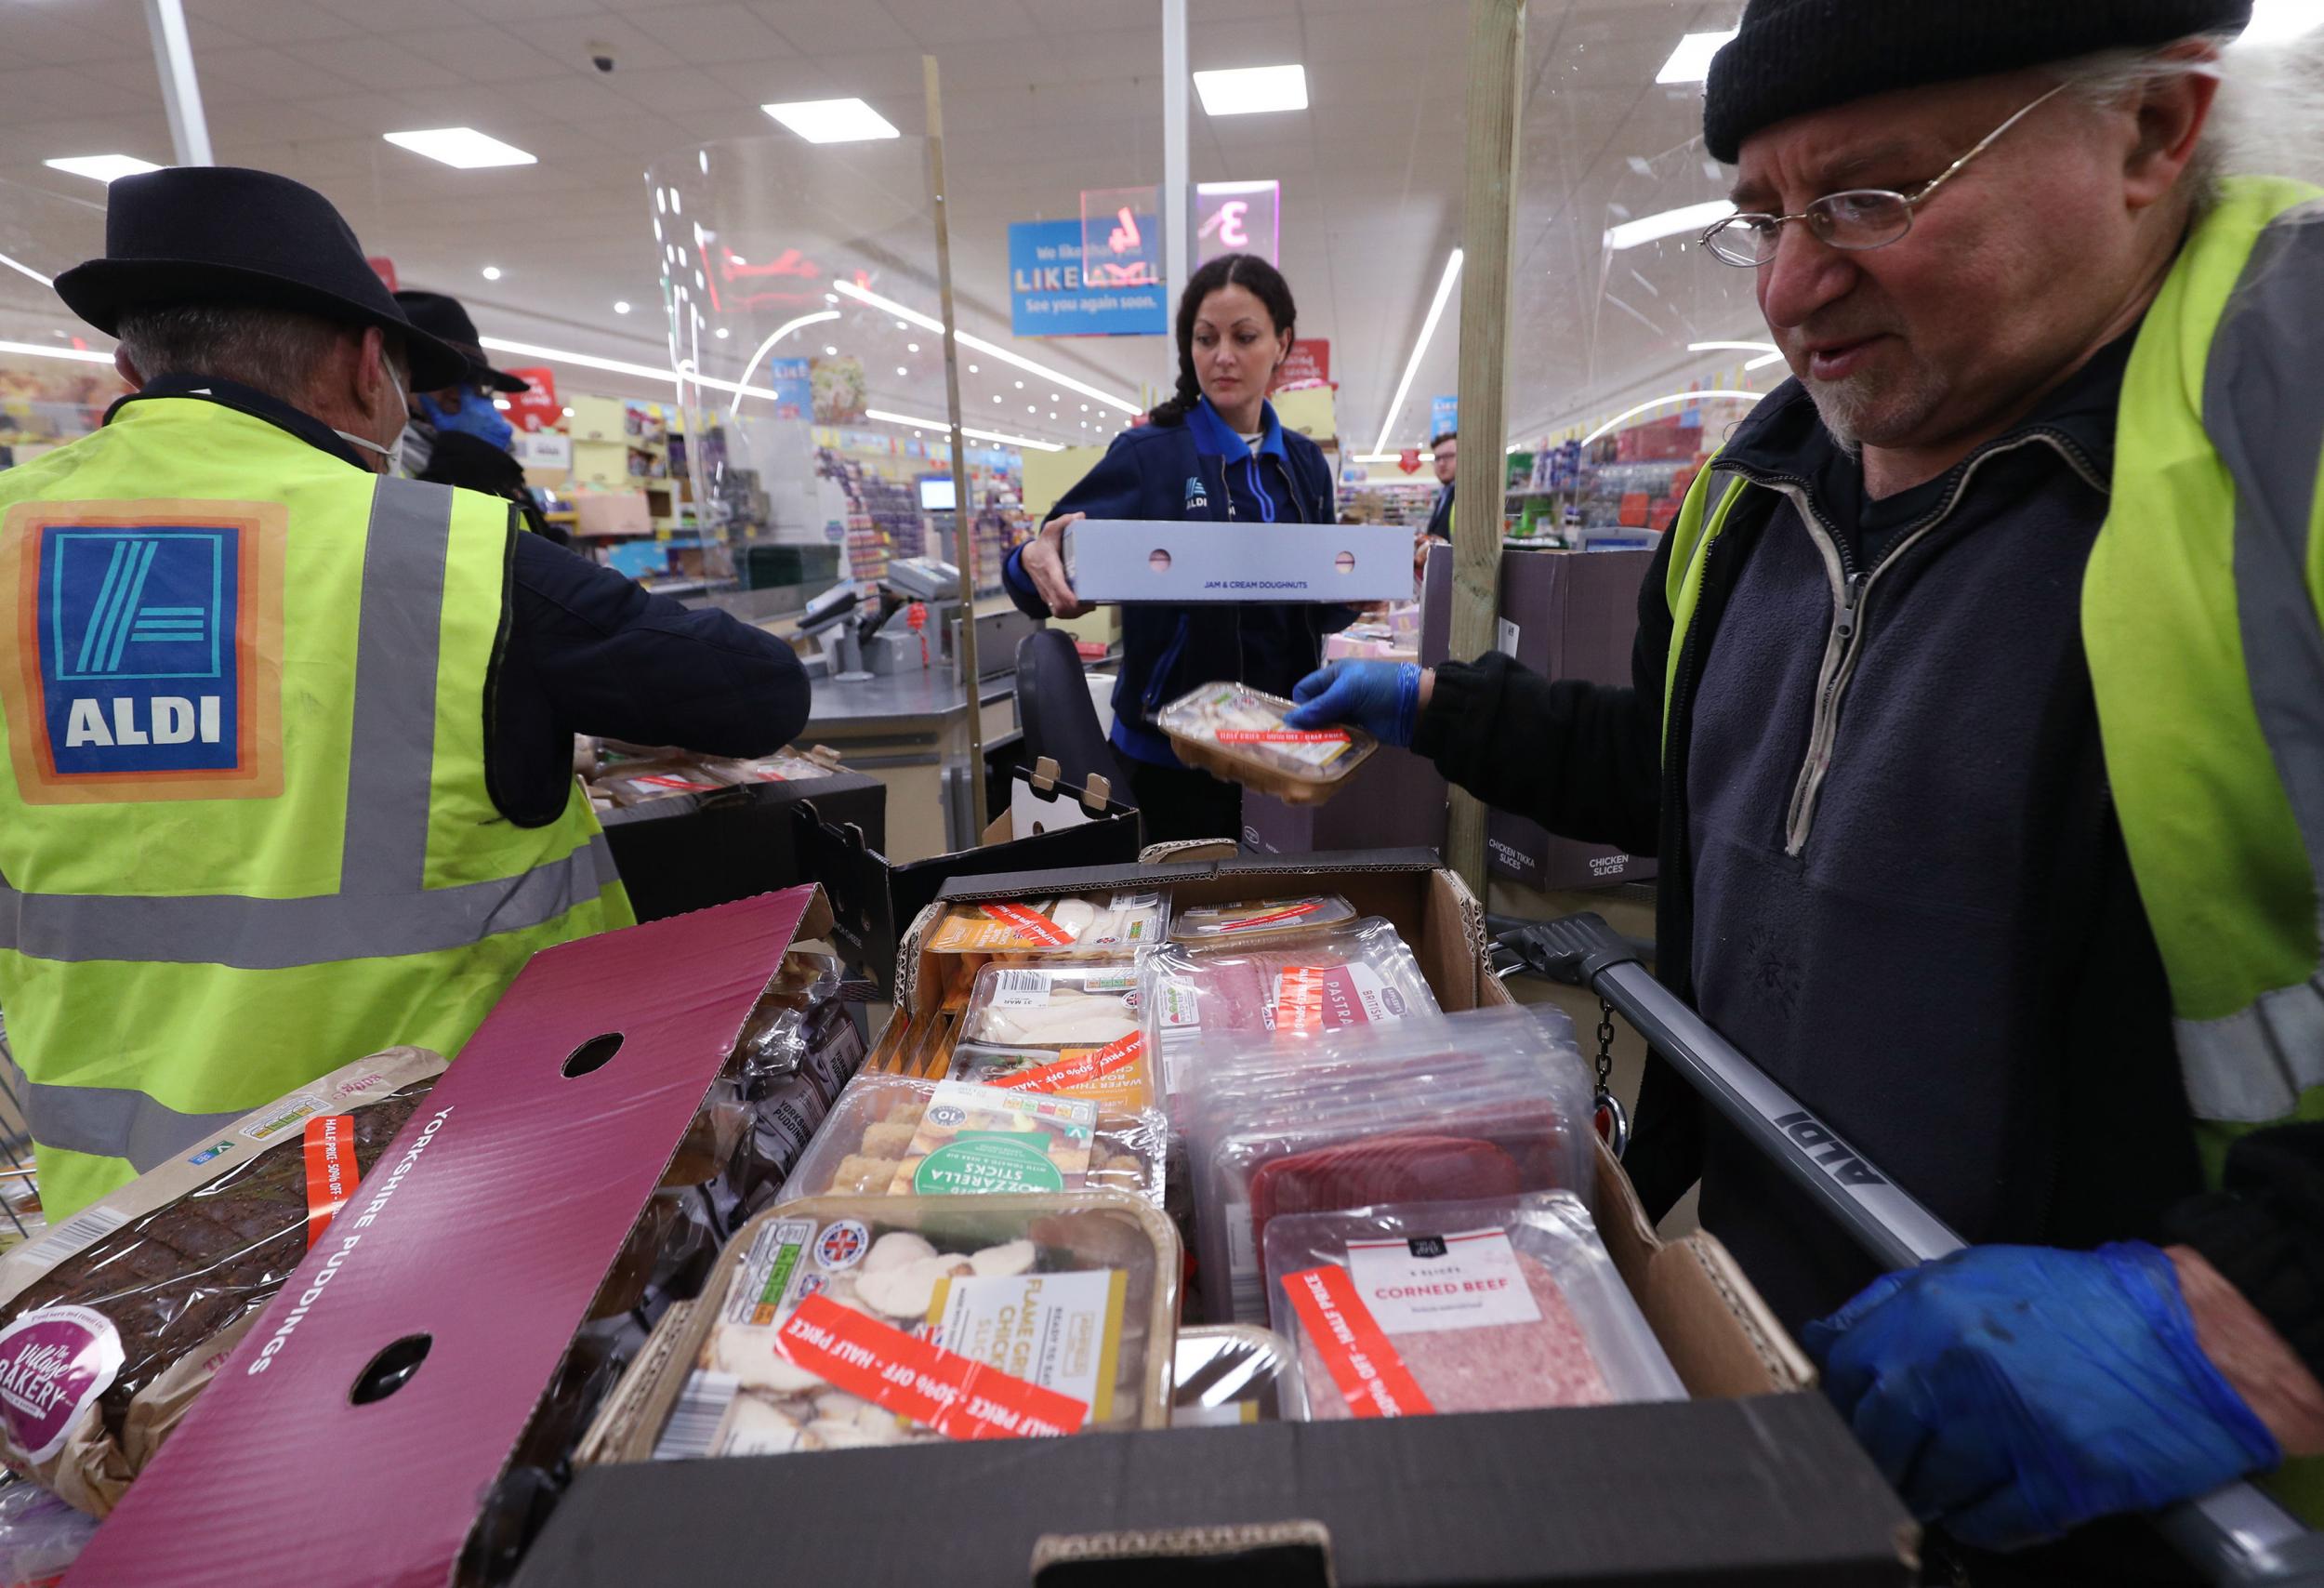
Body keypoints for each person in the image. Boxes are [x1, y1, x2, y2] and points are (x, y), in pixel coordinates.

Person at [1287, 0, 2324, 1556]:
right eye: (1760, 214)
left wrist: (2263, 1298)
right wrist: (1443, 701)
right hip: (1806, 1363)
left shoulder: (2287, 417)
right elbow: (1689, 779)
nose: (1789, 285)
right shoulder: (1768, 482)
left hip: (2177, 1483)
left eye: (1869, 196)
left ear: (2151, 132)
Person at [0, 166, 812, 1220]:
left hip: (122, 1222)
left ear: (128, 365)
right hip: (428, 1187)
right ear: (366, 364)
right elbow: (756, 693)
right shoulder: (441, 553)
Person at [1002, 253, 1347, 843]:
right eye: (1206, 339)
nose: (1223, 356)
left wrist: (1365, 587)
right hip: (1170, 758)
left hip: (1279, 749)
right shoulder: (1150, 454)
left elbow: (1317, 609)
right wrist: (1031, 557)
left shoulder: (1305, 464)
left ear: (1282, 343)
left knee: (1266, 921)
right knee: (1175, 920)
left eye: (1245, 337)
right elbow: (1040, 559)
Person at [391, 288, 568, 544]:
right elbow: (414, 540)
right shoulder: (383, 451)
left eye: (478, 382)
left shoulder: (487, 449)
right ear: (398, 376)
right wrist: (465, 455)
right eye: (445, 377)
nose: (462, 395)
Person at [1423, 430, 1457, 541]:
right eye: (1437, 458)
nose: (1441, 463)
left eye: (1448, 456)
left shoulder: (1469, 496)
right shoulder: (1445, 492)